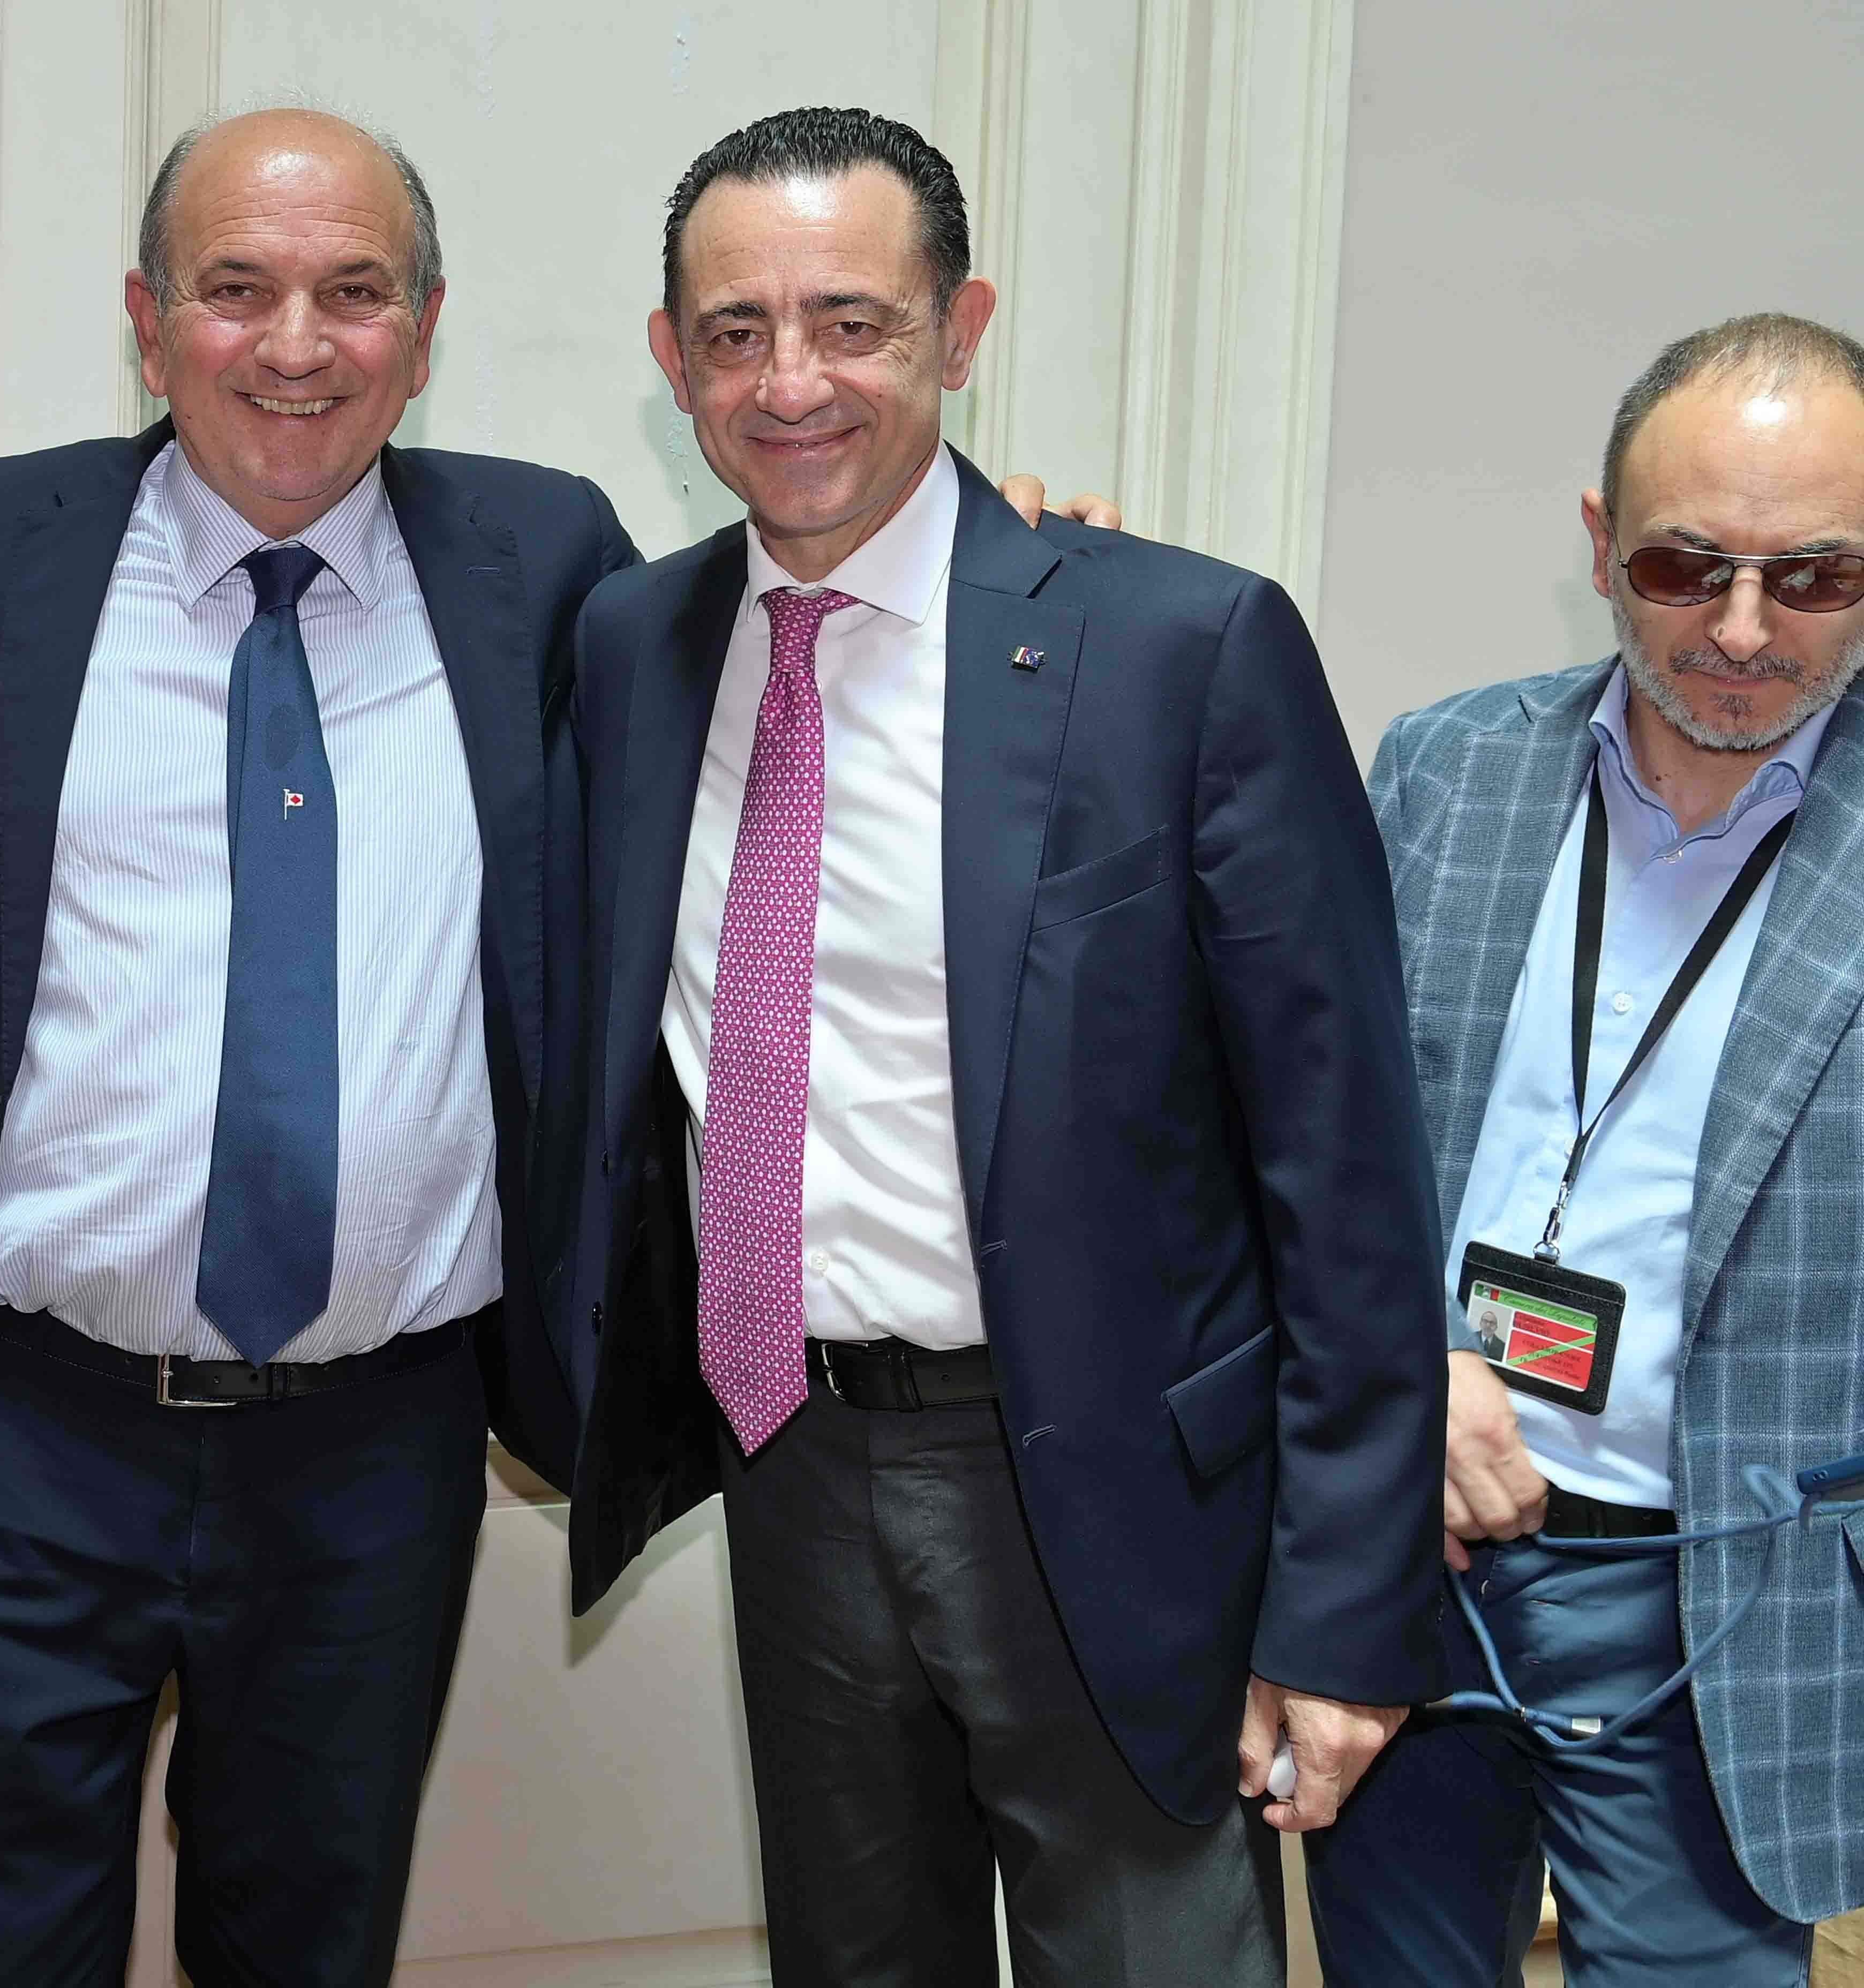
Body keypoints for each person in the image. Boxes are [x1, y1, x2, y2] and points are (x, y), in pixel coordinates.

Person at [0, 105, 1105, 1986]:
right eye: (236, 289)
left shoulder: (547, 566)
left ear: (426, 329)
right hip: (10, 1438)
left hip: (373, 1458)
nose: (295, 344)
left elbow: (797, 654)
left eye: (355, 292)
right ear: (146, 321)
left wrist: (1010, 572)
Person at [558, 107, 1448, 1987]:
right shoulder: (635, 646)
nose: (792, 382)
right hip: (789, 1457)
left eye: (853, 324)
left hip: (1107, 1487)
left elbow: (1348, 1168)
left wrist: (1345, 1607)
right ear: (670, 360)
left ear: (960, 332)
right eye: (736, 332)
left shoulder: (1181, 649)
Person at [1303, 313, 1864, 1987]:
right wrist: (1403, 1366)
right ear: (1602, 544)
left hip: (1726, 1601)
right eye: (1688, 567)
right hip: (1414, 1552)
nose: (1744, 632)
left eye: (1817, 577)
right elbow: (1316, 1145)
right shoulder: (1447, 768)